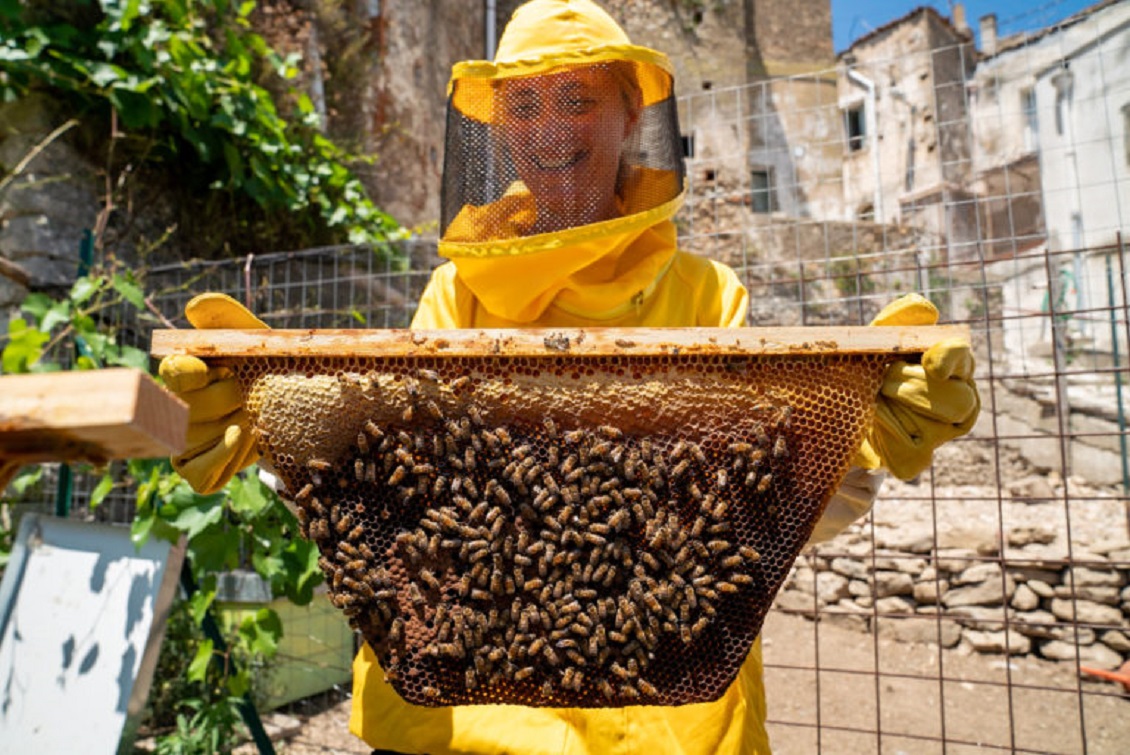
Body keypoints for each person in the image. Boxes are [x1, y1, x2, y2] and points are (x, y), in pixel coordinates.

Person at [159, 1, 980, 752]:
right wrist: (281, 418)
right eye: (525, 105)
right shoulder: (457, 291)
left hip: (664, 728)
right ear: (502, 130)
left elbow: (760, 512)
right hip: (460, 725)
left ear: (631, 115)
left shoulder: (707, 294)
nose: (549, 126)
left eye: (578, 98)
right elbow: (394, 494)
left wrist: (854, 429)